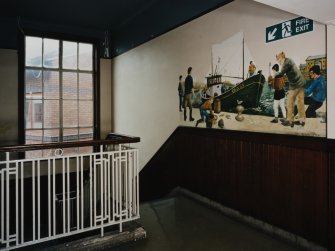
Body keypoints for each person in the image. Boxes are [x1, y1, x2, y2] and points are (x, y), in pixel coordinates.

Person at [275, 52, 305, 127]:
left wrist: (274, 74)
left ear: (282, 57)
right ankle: (302, 120)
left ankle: (289, 120)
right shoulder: (289, 60)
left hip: (295, 84)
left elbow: (281, 74)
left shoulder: (286, 63)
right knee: (300, 102)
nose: (278, 62)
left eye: (278, 60)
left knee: (289, 102)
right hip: (300, 82)